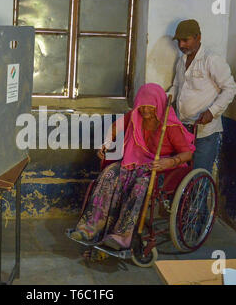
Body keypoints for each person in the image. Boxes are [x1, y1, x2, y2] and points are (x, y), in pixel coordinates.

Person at [69, 83, 195, 257]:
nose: (144, 111)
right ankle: (90, 227)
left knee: (140, 184)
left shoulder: (170, 126)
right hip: (133, 163)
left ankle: (122, 236)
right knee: (109, 173)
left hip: (160, 169)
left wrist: (170, 161)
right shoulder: (135, 116)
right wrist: (106, 145)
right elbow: (115, 128)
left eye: (148, 107)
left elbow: (187, 154)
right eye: (141, 106)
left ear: (158, 105)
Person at [168, 19, 236, 173]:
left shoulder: (211, 59)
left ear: (198, 37)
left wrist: (212, 112)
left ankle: (200, 197)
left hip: (205, 131)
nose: (181, 45)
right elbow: (177, 87)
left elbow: (230, 88)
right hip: (183, 128)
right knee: (181, 175)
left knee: (198, 177)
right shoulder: (181, 60)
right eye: (179, 41)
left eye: (185, 40)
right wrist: (164, 99)